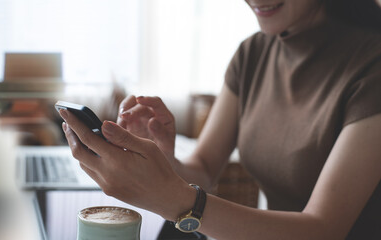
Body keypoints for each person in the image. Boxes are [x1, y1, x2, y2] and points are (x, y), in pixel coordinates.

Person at [59, 0, 381, 239]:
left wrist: (180, 201)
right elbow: (202, 169)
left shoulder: (371, 66)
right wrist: (163, 157)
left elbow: (324, 230)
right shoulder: (252, 54)